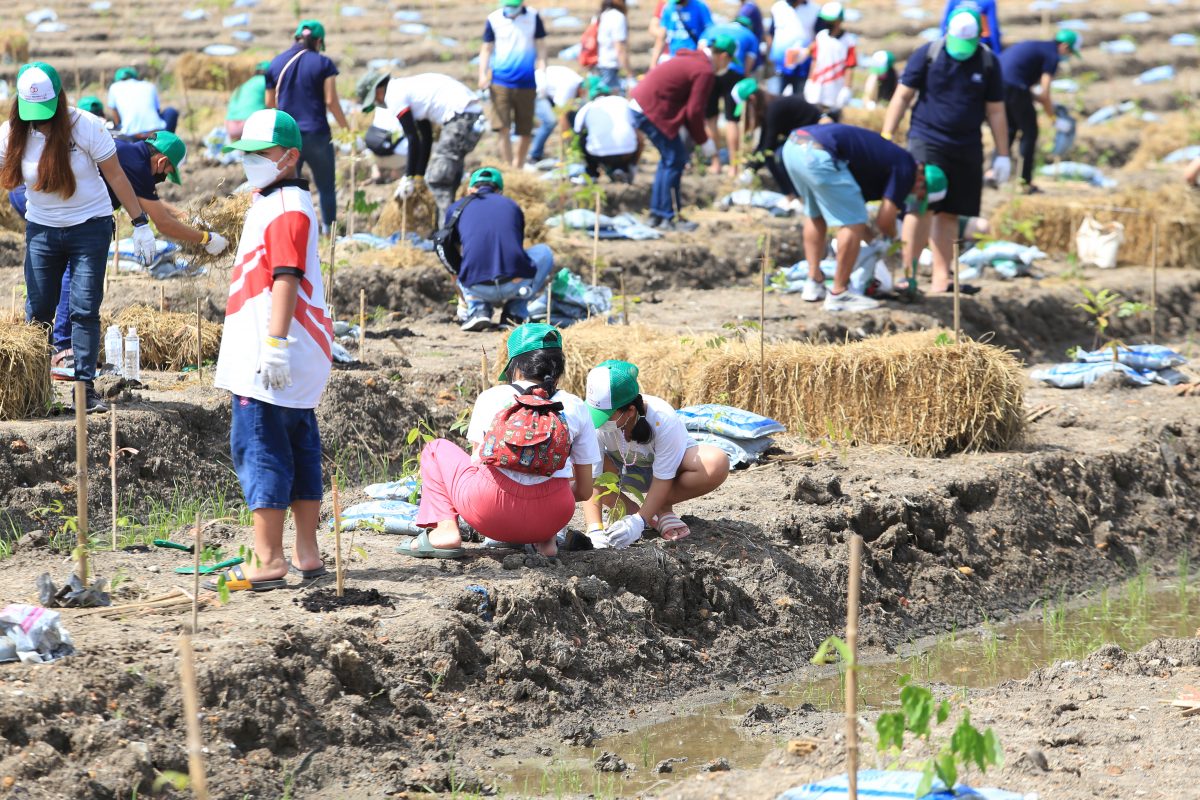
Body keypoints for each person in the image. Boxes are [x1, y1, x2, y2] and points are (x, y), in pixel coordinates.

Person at [206, 108, 333, 592]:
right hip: (297, 357)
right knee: (300, 448)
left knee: (261, 449)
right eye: (247, 153)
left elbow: (286, 278)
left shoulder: (285, 209)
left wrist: (275, 345)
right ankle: (306, 554)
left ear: (290, 156)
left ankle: (267, 559)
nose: (251, 161)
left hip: (272, 353)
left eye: (262, 153)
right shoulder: (282, 200)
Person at [0, 62, 155, 413]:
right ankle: (35, 392)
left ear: (59, 98)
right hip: (42, 230)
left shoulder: (86, 126)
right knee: (38, 310)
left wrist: (140, 223)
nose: (38, 120)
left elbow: (116, 176)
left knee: (84, 308)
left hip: (90, 226)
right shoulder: (11, 133)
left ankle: (84, 390)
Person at [8, 131, 228, 376]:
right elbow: (163, 223)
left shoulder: (130, 153)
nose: (164, 178)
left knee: (64, 265)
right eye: (167, 172)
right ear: (162, 161)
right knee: (73, 265)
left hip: (36, 190)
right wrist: (206, 239)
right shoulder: (137, 165)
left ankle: (52, 347)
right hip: (37, 193)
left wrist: (186, 217)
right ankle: (63, 347)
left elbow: (146, 200)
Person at [402, 323, 599, 558]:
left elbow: (477, 465)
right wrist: (541, 501)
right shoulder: (576, 406)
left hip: (490, 513)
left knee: (435, 449)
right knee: (555, 481)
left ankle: (445, 531)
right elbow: (585, 490)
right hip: (552, 517)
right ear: (559, 369)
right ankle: (545, 540)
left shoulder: (491, 397)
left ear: (516, 368)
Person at [881, 8, 1009, 295]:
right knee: (922, 201)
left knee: (950, 211)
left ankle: (942, 277)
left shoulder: (988, 61)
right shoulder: (929, 54)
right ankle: (909, 274)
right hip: (927, 139)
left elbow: (996, 110)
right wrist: (887, 135)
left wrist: (1003, 153)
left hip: (966, 145)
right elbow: (902, 96)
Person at [782, 123, 946, 311]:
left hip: (794, 145)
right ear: (921, 181)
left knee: (815, 214)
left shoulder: (882, 165)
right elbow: (883, 220)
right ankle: (839, 293)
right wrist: (893, 239)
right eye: (920, 197)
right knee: (853, 223)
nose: (914, 199)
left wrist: (873, 241)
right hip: (819, 153)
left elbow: (854, 210)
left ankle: (814, 282)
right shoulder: (906, 167)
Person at [582, 360, 728, 546]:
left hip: (668, 476)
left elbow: (663, 478)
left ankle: (658, 509)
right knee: (576, 465)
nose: (597, 422)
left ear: (630, 410)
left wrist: (638, 522)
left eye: (605, 416)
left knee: (715, 463)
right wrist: (595, 529)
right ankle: (634, 511)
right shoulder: (593, 421)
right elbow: (590, 477)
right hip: (624, 473)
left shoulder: (662, 418)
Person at [630, 37, 737, 230]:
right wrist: (704, 141)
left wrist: (700, 138)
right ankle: (669, 217)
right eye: (729, 61)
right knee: (675, 159)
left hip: (642, 104)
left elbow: (690, 112)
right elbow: (694, 112)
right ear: (723, 56)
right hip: (651, 108)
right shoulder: (704, 70)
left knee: (669, 159)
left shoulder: (694, 60)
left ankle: (657, 214)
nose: (727, 66)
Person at [360, 71, 485, 220]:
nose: (378, 103)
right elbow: (425, 138)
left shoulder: (393, 94)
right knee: (450, 177)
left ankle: (445, 230)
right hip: (470, 116)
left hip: (461, 118)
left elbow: (412, 138)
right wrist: (418, 175)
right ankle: (451, 227)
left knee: (438, 179)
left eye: (375, 100)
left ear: (378, 91)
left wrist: (408, 177)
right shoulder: (408, 90)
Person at [266, 20, 350, 232]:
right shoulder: (323, 63)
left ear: (296, 38)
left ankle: (294, 232)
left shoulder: (275, 64)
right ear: (318, 41)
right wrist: (347, 130)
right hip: (317, 135)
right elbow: (331, 101)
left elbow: (269, 104)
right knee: (326, 188)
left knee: (288, 189)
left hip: (287, 139)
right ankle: (329, 234)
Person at [449, 167, 556, 331]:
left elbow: (448, 248)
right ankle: (514, 313)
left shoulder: (457, 208)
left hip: (476, 287)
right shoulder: (512, 206)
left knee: (456, 256)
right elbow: (516, 245)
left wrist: (460, 287)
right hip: (515, 284)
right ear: (499, 191)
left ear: (470, 190)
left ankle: (477, 308)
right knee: (544, 252)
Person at [996, 31, 1080, 191]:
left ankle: (993, 173)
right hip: (1014, 86)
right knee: (1030, 132)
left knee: (1009, 129)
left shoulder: (1039, 46)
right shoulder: (1052, 56)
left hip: (998, 82)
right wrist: (1054, 119)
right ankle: (1024, 181)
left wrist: (1034, 97)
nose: (1068, 57)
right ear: (1064, 46)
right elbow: (1044, 94)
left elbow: (1032, 91)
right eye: (1070, 53)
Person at [479, 0, 548, 169]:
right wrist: (482, 74)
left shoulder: (533, 17)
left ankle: (519, 166)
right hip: (500, 81)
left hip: (526, 82)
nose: (510, 9)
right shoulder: (494, 19)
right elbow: (486, 48)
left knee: (525, 129)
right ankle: (509, 167)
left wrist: (542, 72)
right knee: (502, 127)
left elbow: (541, 46)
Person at [737, 79, 825, 211]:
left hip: (814, 134)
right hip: (800, 135)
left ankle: (797, 196)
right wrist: (750, 167)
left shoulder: (773, 109)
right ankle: (791, 195)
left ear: (752, 99)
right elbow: (763, 143)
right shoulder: (770, 107)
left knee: (777, 156)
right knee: (772, 155)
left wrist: (751, 169)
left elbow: (768, 146)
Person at [700, 17, 757, 175]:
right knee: (732, 121)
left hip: (710, 71)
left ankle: (715, 163)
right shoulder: (749, 36)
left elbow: (701, 50)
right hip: (734, 74)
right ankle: (734, 167)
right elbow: (748, 66)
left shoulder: (712, 29)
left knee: (710, 119)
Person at [574, 77, 641, 182]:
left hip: (599, 154)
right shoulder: (623, 101)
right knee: (635, 134)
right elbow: (638, 125)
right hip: (627, 152)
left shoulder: (588, 107)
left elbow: (577, 131)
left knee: (583, 138)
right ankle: (625, 168)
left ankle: (592, 173)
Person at [803, 2, 856, 115]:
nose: (827, 23)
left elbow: (850, 66)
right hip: (818, 86)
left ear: (839, 21)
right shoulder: (821, 36)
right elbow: (815, 60)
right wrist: (810, 81)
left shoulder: (849, 41)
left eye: (830, 21)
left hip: (836, 87)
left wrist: (847, 88)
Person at [530, 65, 584, 164]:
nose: (581, 97)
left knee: (573, 118)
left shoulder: (577, 83)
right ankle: (534, 155)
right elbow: (561, 114)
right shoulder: (570, 85)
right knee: (550, 122)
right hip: (536, 89)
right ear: (581, 90)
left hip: (548, 92)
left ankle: (575, 151)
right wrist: (566, 136)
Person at [106, 67, 178, 138]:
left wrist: (120, 127)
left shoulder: (114, 87)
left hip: (132, 135)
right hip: (156, 132)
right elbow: (157, 111)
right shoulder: (149, 85)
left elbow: (115, 116)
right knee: (170, 112)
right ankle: (167, 142)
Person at [767, 0, 818, 95]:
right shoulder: (778, 7)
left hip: (803, 68)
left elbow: (820, 37)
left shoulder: (815, 9)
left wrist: (806, 51)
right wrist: (769, 57)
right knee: (774, 98)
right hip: (779, 65)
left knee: (798, 100)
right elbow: (771, 34)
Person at [649, 0, 714, 66]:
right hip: (674, 55)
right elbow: (662, 36)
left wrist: (704, 40)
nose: (678, 4)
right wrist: (653, 64)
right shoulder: (669, 7)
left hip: (694, 55)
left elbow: (710, 29)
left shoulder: (700, 6)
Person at [225, 61, 270, 142]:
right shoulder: (266, 82)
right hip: (249, 124)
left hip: (230, 125)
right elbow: (271, 103)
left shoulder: (244, 84)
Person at [595, 0, 631, 89]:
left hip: (603, 64)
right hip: (611, 66)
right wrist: (629, 74)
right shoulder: (618, 17)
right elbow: (619, 49)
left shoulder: (604, 14)